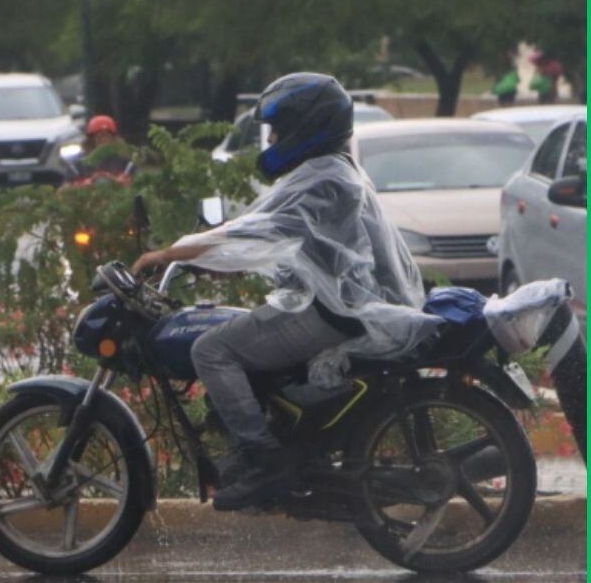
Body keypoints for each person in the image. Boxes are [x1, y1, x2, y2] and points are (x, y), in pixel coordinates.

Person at [132, 73, 434, 511]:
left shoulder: (321, 179)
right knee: (241, 333)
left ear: (304, 129)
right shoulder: (332, 171)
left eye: (278, 130)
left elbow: (251, 230)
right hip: (339, 303)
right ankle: (271, 438)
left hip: (334, 310)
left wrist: (168, 254)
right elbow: (280, 239)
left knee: (212, 350)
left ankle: (265, 461)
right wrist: (217, 262)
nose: (271, 139)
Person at [74, 114, 133, 180]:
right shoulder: (82, 164)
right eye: (99, 137)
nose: (103, 141)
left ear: (113, 138)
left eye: (106, 136)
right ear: (91, 140)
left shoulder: (126, 160)